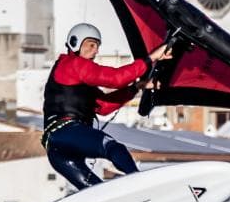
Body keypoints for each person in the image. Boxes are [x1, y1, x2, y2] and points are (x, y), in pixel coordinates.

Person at [42, 22, 172, 190]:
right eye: (91, 45)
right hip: (67, 132)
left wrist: (136, 87)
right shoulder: (73, 64)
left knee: (96, 193)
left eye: (97, 46)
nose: (96, 51)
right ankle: (140, 183)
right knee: (111, 146)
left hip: (57, 150)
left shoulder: (76, 78)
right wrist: (151, 58)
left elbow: (104, 106)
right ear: (75, 43)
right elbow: (115, 79)